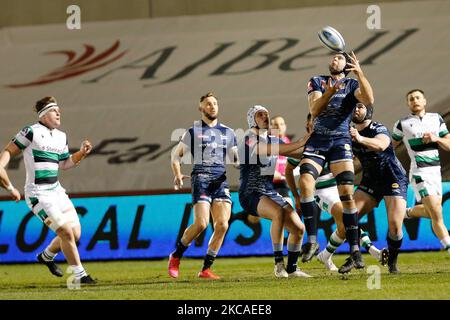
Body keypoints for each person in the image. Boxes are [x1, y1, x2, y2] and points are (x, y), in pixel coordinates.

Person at [0, 96, 96, 285]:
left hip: (57, 192)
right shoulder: (31, 132)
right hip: (38, 195)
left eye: (59, 110)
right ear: (44, 115)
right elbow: (10, 150)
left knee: (75, 234)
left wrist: (81, 154)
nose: (59, 113)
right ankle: (80, 276)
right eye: (54, 110)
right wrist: (2, 164)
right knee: (66, 233)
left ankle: (46, 255)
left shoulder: (61, 136)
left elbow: (65, 164)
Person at [299, 51, 375, 269]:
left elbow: (369, 100)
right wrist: (329, 92)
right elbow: (314, 110)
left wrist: (360, 73)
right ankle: (312, 241)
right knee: (305, 181)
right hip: (319, 140)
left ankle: (354, 250)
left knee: (347, 197)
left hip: (341, 141)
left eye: (339, 58)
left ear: (346, 64)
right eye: (332, 57)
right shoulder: (317, 81)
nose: (335, 60)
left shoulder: (352, 84)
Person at [286, 114, 384, 271]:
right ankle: (373, 250)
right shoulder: (304, 144)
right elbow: (288, 170)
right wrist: (297, 196)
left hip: (339, 187)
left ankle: (325, 256)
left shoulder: (335, 140)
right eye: (315, 121)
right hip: (321, 192)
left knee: (344, 227)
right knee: (346, 216)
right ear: (308, 124)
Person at [169, 92, 238, 280]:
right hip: (201, 179)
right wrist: (177, 174)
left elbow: (235, 160)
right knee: (200, 224)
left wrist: (247, 162)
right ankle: (176, 256)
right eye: (208, 104)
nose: (212, 106)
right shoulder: (193, 131)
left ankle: (205, 269)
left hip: (220, 181)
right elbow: (176, 156)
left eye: (215, 103)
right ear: (201, 108)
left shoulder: (228, 132)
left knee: (222, 225)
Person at [238, 105, 311, 278]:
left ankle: (292, 269)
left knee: (299, 229)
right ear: (252, 120)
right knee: (278, 213)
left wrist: (320, 152)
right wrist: (303, 141)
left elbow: (298, 154)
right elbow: (272, 150)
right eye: (260, 115)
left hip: (268, 191)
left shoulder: (274, 139)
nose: (265, 117)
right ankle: (279, 264)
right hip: (250, 193)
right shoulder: (248, 139)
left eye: (266, 114)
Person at [334, 103, 407, 273]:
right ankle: (353, 256)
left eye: (359, 106)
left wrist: (359, 138)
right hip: (370, 181)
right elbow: (357, 161)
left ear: (368, 110)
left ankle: (392, 261)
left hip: (393, 178)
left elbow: (381, 145)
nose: (356, 109)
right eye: (353, 107)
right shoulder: (348, 132)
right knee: (349, 218)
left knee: (395, 226)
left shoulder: (378, 128)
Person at [392, 89, 450, 254]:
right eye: (411, 99)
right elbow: (389, 148)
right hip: (420, 173)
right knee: (437, 213)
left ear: (424, 101)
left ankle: (405, 212)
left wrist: (436, 138)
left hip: (436, 172)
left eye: (418, 98)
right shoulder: (402, 124)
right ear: (408, 103)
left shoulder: (436, 119)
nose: (415, 100)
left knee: (433, 211)